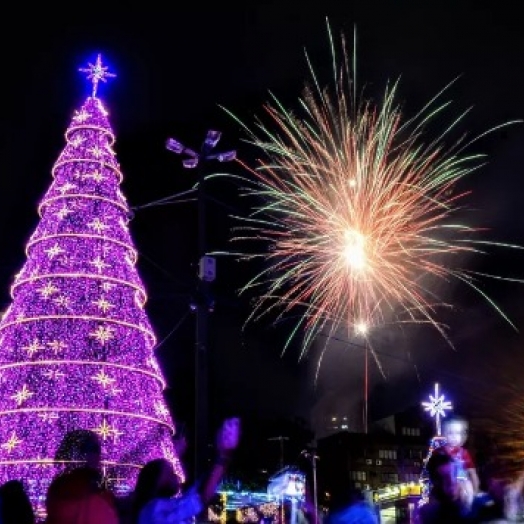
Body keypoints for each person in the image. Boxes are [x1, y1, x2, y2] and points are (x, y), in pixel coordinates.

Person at [135, 417, 241, 524]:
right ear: (155, 481)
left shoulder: (160, 506)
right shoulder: (153, 510)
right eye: (170, 473)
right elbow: (201, 497)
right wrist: (224, 453)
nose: (176, 476)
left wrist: (224, 455)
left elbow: (200, 492)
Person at [45, 429, 119, 524]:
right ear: (78, 452)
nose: (100, 455)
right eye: (95, 449)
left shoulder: (58, 485)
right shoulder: (91, 485)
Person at [416, 449, 472, 524]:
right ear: (436, 482)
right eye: (445, 477)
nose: (452, 482)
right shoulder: (430, 515)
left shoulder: (469, 506)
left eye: (454, 475)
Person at [442, 417, 480, 497]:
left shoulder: (463, 453)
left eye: (458, 433)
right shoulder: (440, 453)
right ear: (444, 434)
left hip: (462, 485)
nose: (454, 436)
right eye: (450, 433)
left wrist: (475, 491)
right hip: (445, 487)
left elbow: (472, 473)